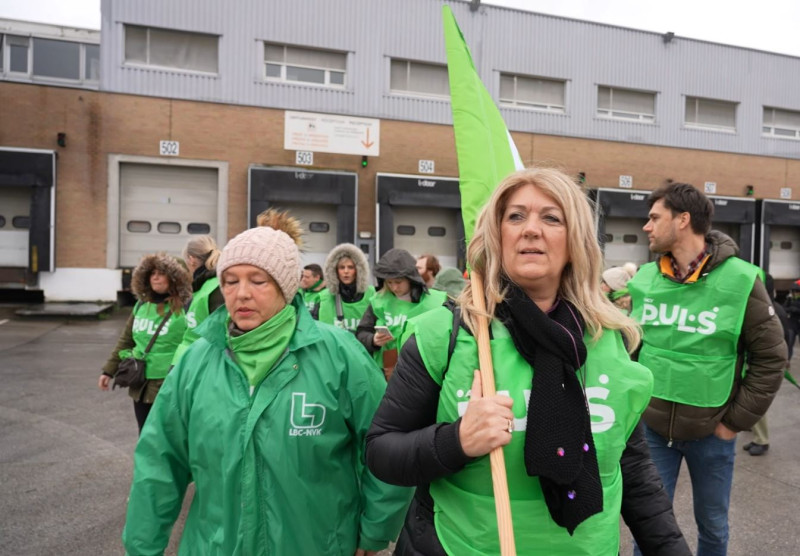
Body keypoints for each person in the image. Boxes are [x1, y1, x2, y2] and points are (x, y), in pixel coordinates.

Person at [366, 168, 689, 555]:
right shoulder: (445, 333)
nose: (531, 229)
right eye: (515, 216)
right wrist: (456, 441)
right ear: (496, 235)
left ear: (575, 241)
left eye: (551, 218)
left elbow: (633, 469)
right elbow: (382, 451)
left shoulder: (609, 337)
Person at [122, 219, 412, 555]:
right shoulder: (196, 363)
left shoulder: (340, 356)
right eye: (230, 281)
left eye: (257, 280)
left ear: (286, 287)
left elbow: (386, 445)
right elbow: (159, 462)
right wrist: (142, 548)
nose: (241, 293)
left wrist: (375, 530)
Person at [628, 182, 787, 555]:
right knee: (645, 526)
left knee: (712, 527)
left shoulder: (740, 280)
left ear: (683, 220)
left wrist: (732, 424)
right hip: (652, 433)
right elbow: (631, 351)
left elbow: (771, 358)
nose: (646, 227)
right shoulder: (645, 281)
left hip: (712, 435)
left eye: (654, 217)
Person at [98, 253, 191, 433]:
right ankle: (145, 462)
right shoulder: (141, 305)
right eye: (152, 273)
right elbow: (126, 339)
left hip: (169, 384)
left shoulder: (187, 307)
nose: (155, 277)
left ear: (175, 278)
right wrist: (108, 371)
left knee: (166, 436)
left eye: (161, 273)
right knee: (145, 433)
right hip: (140, 382)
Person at [357, 248, 447, 380]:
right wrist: (373, 340)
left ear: (410, 279)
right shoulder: (378, 301)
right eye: (389, 282)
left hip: (421, 371)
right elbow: (361, 333)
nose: (394, 287)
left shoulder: (433, 301)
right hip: (385, 371)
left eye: (398, 282)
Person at [743, 273, 792, 456]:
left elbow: (785, 339)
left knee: (756, 403)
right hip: (753, 364)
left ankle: (761, 440)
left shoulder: (772, 311)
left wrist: (784, 361)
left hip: (759, 367)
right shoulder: (768, 308)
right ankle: (756, 434)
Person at [171, 235, 224, 364]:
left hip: (201, 363)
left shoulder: (213, 288)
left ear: (191, 259)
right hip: (196, 361)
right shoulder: (205, 286)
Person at [318, 243, 376, 333]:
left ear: (359, 270)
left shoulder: (373, 295)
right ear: (335, 271)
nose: (346, 271)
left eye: (350, 267)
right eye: (342, 267)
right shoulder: (323, 299)